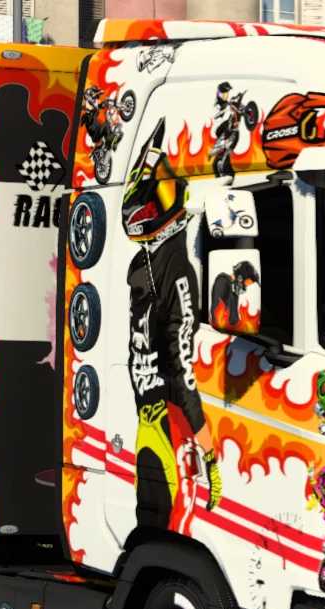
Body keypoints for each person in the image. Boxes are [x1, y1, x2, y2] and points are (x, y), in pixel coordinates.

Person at [122, 119, 221, 533]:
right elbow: (181, 368)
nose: (173, 185)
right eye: (162, 187)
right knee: (165, 521)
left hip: (147, 418)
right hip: (168, 421)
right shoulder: (176, 268)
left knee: (150, 518)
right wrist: (207, 445)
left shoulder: (140, 265)